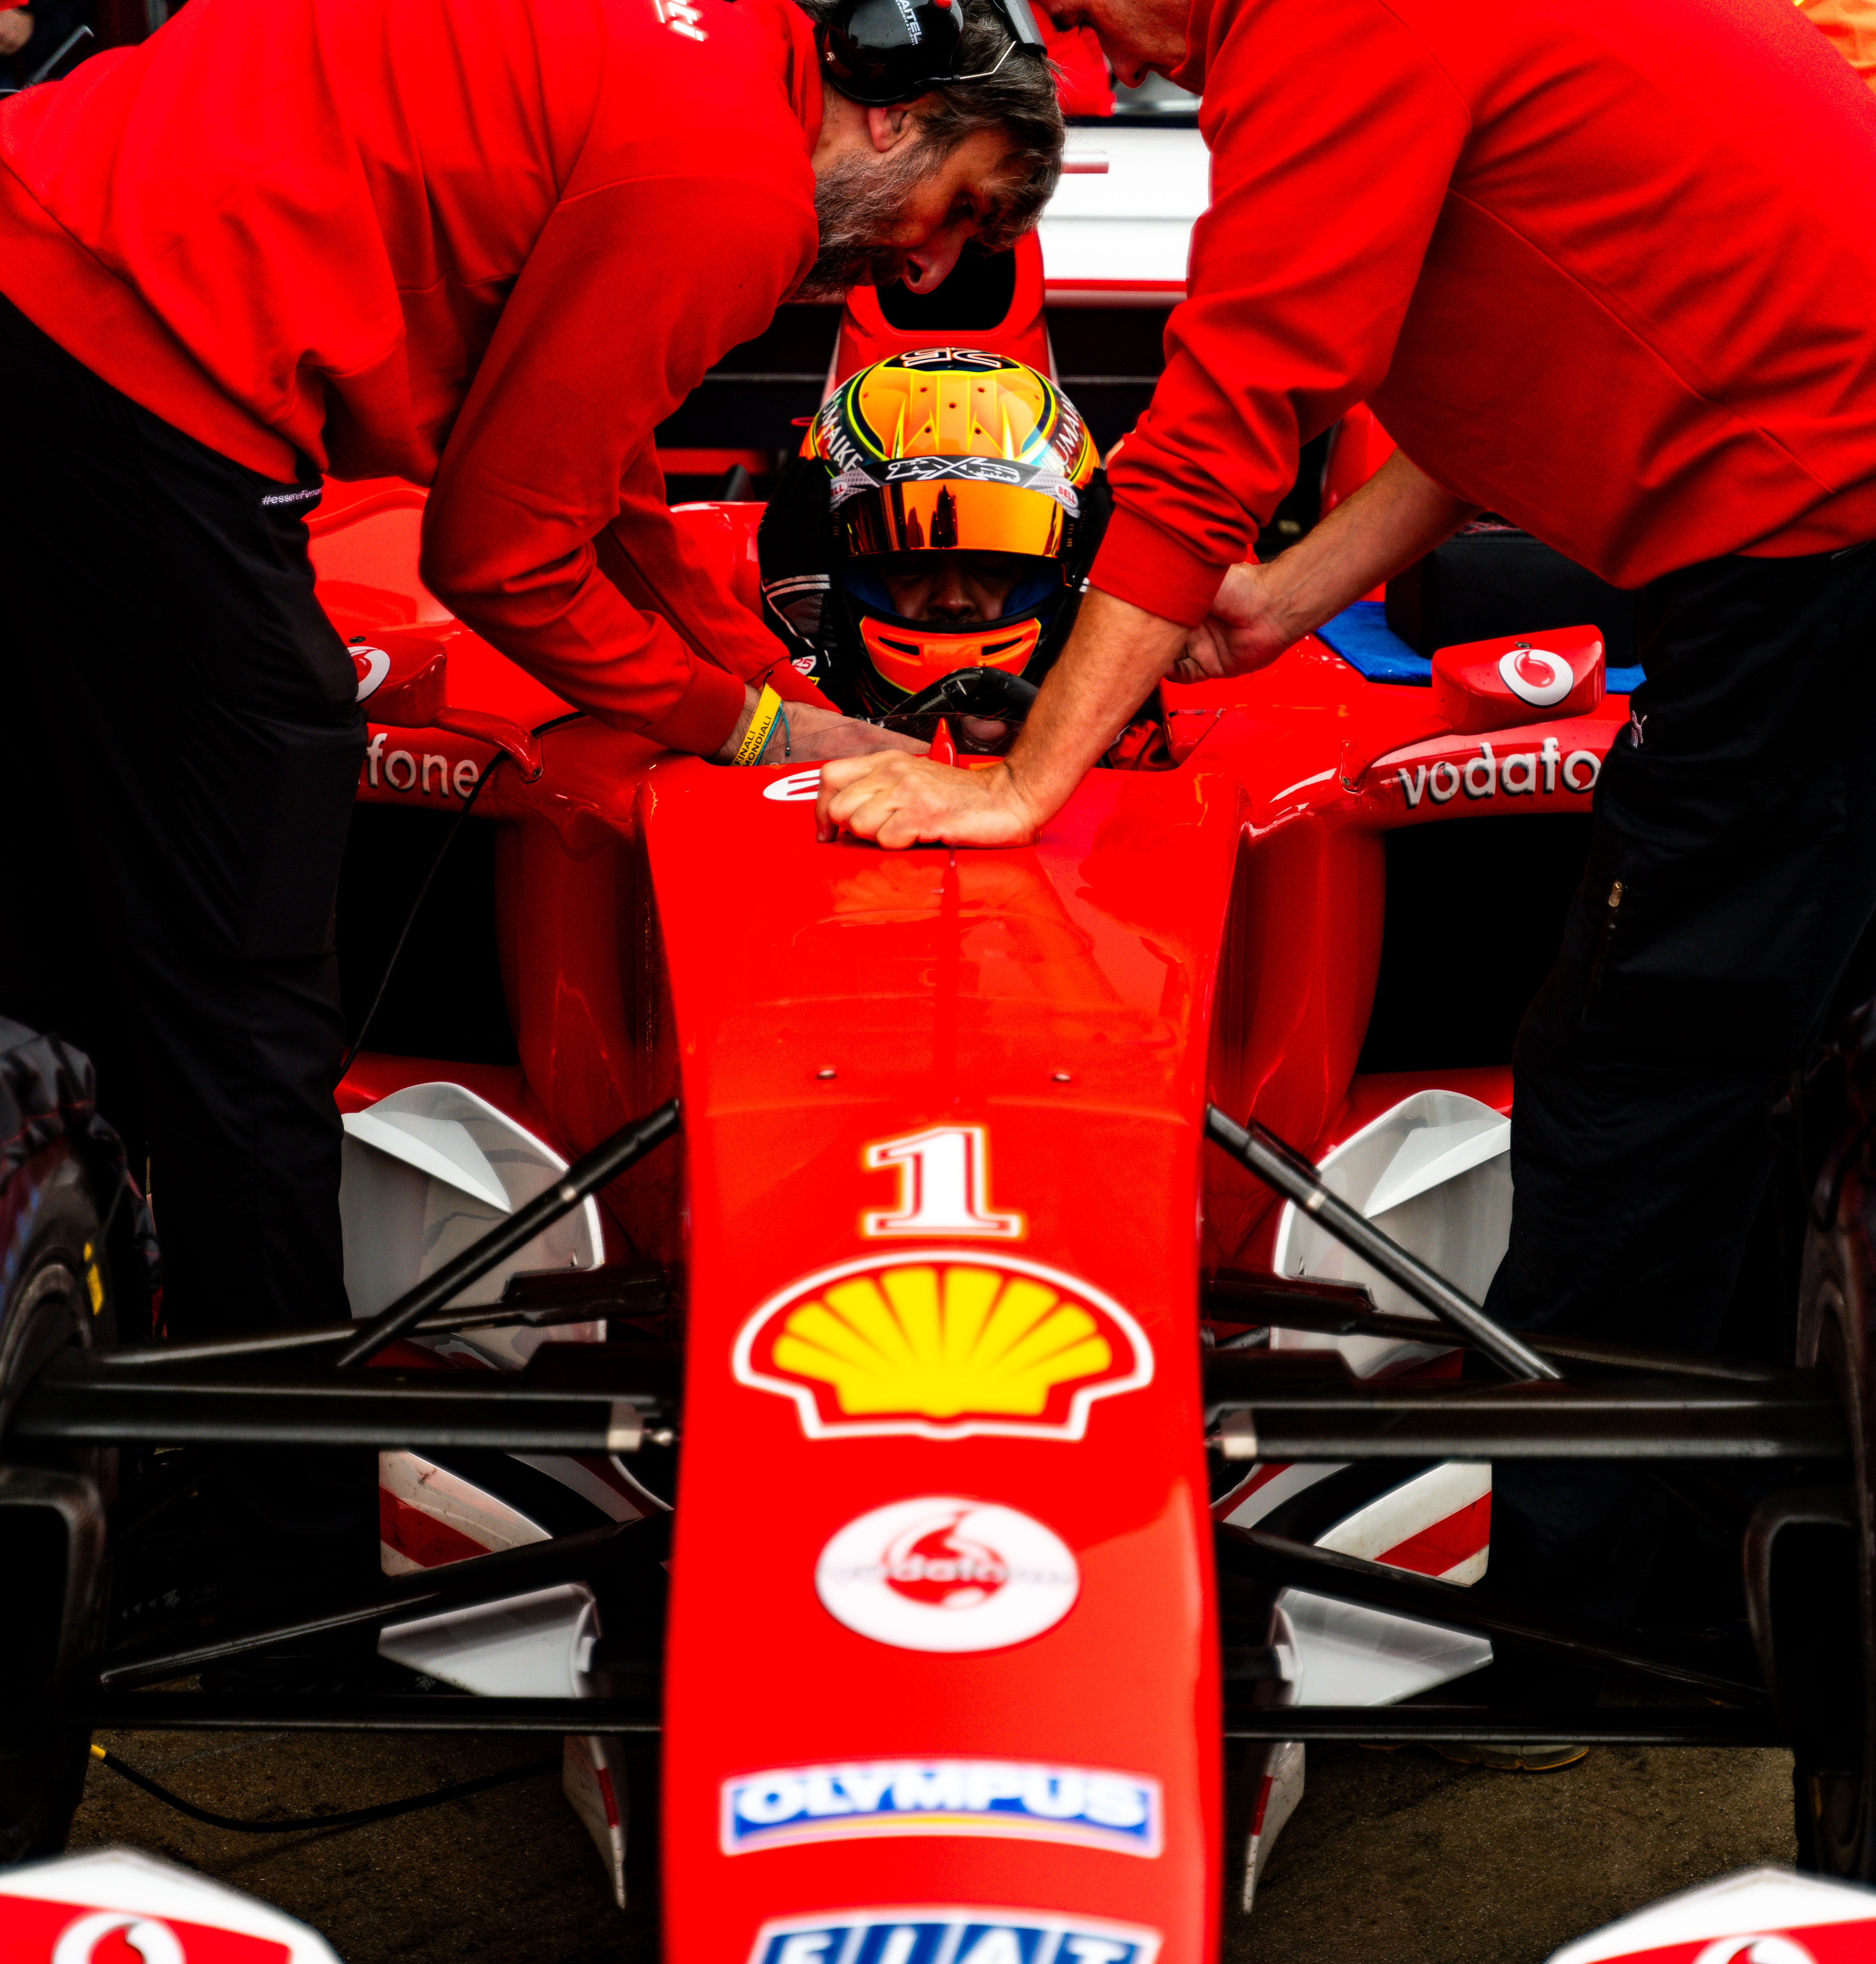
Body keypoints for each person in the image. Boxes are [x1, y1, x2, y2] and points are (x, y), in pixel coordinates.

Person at [820, 0, 1876, 1689]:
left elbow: (1220, 422)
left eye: (1091, 9)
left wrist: (1023, 781)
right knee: (1763, 1063)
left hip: (1814, 545)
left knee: (1637, 1074)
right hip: (1809, 527)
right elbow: (1501, 354)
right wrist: (1290, 598)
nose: (1106, 43)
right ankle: (1739, 1569)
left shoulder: (1333, 27)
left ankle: (1594, 1633)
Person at [0, 0, 1060, 1598]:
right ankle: (276, 1568)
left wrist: (772, 692)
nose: (925, 265)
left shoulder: (711, 72)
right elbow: (498, 549)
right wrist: (744, 723)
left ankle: (80, 1336)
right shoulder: (735, 188)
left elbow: (599, 474)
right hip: (131, 343)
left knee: (65, 903)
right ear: (896, 112)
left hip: (48, 257)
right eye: (958, 209)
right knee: (249, 977)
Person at [759, 348, 1107, 752]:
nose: (952, 601)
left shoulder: (1151, 722)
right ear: (820, 556)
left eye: (993, 567)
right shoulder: (740, 685)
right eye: (910, 565)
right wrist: (811, 695)